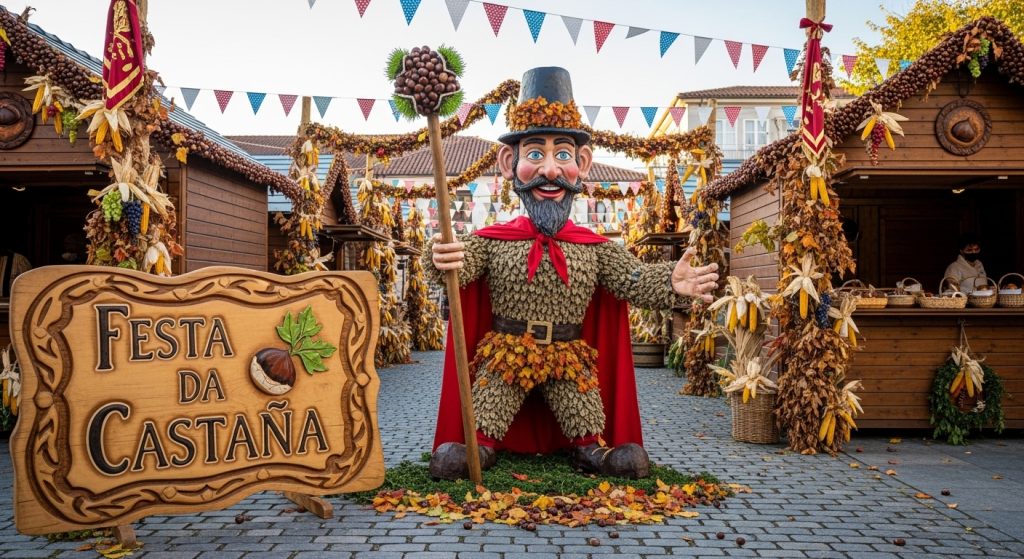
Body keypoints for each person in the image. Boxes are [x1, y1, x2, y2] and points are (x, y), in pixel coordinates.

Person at [424, 67, 719, 481]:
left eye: (562, 155)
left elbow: (631, 279)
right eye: (535, 154)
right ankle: (481, 448)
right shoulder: (492, 240)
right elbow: (456, 267)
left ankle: (591, 453)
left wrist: (670, 281)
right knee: (482, 424)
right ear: (510, 164)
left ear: (582, 163)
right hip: (507, 354)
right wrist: (440, 256)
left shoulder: (594, 248)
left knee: (586, 423)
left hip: (568, 358)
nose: (549, 170)